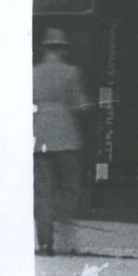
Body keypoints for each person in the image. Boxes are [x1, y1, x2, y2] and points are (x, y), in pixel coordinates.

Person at [33, 28, 91, 257]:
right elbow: (80, 104)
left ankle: (45, 242)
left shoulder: (32, 73)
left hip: (39, 137)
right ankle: (65, 236)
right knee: (68, 187)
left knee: (43, 190)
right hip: (66, 137)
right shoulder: (71, 73)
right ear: (63, 48)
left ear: (44, 48)